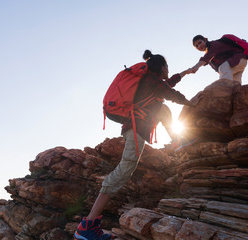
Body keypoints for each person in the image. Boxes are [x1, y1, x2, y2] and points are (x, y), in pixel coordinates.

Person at [74, 50, 194, 240]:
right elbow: (170, 93)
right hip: (136, 128)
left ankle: (178, 142)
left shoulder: (150, 81)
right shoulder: (151, 81)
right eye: (167, 67)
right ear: (161, 67)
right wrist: (194, 105)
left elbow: (167, 85)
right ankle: (86, 227)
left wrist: (185, 73)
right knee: (124, 170)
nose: (168, 70)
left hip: (135, 127)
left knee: (163, 110)